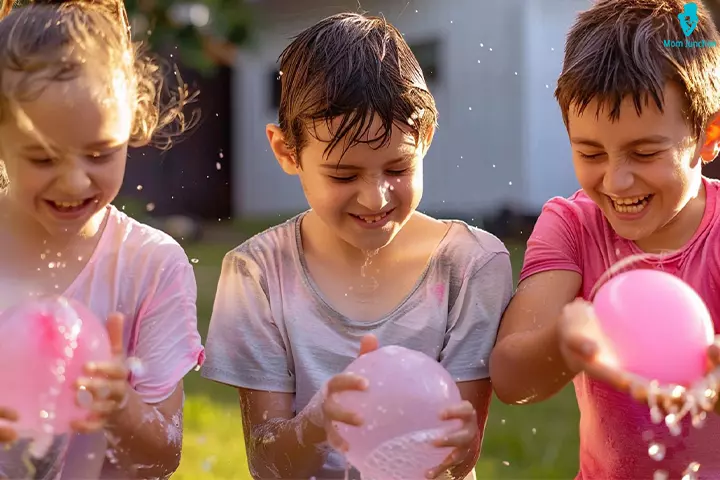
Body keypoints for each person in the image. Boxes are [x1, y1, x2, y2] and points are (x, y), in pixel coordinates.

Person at [201, 12, 513, 480]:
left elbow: (458, 459)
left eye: (398, 168)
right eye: (344, 175)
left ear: (426, 138)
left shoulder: (470, 266)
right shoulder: (258, 273)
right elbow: (269, 464)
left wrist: (456, 441)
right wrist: (316, 421)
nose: (376, 197)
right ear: (288, 152)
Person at [489, 0, 720, 478]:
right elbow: (511, 378)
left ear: (708, 134)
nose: (616, 182)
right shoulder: (572, 226)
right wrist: (563, 343)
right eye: (590, 152)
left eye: (644, 152)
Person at [0, 0, 203, 478]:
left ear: (132, 123)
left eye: (99, 153)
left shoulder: (150, 265)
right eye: (44, 158)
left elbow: (163, 454)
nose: (74, 182)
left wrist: (120, 407)